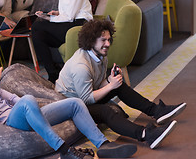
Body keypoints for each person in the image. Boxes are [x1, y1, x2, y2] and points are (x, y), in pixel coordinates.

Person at [0, 52, 138, 159]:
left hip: (25, 113)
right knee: (27, 100)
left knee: (75, 103)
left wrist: (24, 107)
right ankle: (64, 152)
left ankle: (103, 145)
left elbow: (9, 96)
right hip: (11, 121)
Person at [55, 19, 187, 149]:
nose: (107, 44)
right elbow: (86, 100)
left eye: (108, 39)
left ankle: (157, 111)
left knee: (119, 85)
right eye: (103, 40)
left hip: (84, 97)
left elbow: (95, 84)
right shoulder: (81, 66)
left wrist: (110, 81)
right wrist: (110, 86)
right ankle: (147, 135)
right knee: (105, 111)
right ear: (91, 41)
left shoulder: (100, 55)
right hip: (71, 106)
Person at [31, 0, 93, 83]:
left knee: (38, 27)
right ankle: (53, 72)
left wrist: (50, 18)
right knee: (38, 33)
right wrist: (54, 14)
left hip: (80, 25)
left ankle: (53, 72)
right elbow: (67, 12)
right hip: (70, 22)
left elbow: (70, 16)